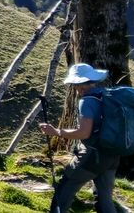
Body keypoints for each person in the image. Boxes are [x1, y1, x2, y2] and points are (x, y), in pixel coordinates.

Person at [41, 64, 122, 213]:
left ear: (79, 84)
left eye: (74, 84)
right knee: (105, 198)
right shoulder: (105, 95)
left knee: (65, 188)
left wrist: (56, 131)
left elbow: (84, 133)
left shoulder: (87, 101)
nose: (74, 87)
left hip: (92, 155)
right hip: (112, 154)